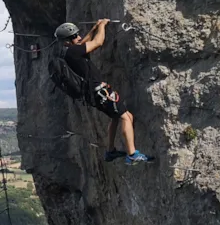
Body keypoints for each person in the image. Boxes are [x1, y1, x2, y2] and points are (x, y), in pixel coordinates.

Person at [50, 20, 152, 165]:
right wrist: (102, 26)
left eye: (77, 34)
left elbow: (82, 44)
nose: (78, 37)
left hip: (93, 94)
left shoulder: (69, 52)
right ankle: (132, 154)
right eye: (74, 36)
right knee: (125, 118)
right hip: (99, 92)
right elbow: (98, 42)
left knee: (119, 116)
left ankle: (110, 151)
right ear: (67, 41)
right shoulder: (73, 51)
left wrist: (93, 28)